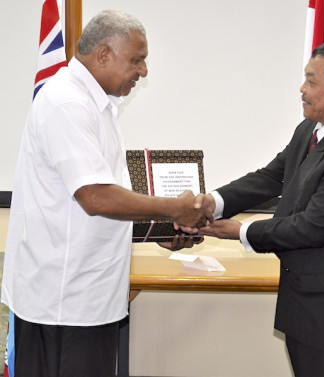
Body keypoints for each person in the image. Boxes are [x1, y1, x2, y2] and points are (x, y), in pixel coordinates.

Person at [1, 9, 212, 377]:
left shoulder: (98, 106)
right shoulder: (68, 103)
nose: (143, 72)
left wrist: (157, 232)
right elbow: (95, 197)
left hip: (88, 297)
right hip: (63, 303)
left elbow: (96, 204)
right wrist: (174, 210)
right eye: (137, 60)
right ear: (103, 54)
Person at [192, 41, 324, 377]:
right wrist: (215, 201)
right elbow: (271, 177)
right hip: (308, 309)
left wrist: (240, 231)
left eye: (311, 82)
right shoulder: (310, 130)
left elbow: (312, 226)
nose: (302, 89)